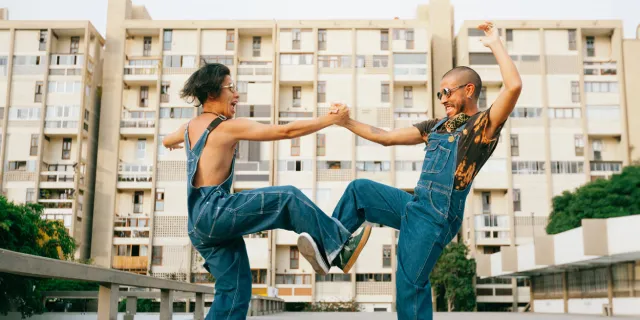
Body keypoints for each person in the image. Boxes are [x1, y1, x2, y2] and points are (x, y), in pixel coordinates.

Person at [299, 22, 522, 319]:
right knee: (359, 191)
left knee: (410, 284)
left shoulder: (483, 126)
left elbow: (514, 86)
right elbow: (386, 137)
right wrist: (346, 122)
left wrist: (495, 43)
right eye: (440, 94)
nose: (442, 100)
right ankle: (333, 248)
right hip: (415, 205)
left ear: (468, 90)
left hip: (438, 215)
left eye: (446, 92)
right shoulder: (435, 127)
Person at [162, 63, 372, 319]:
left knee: (235, 291)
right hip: (215, 209)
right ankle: (337, 248)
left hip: (199, 225)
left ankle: (330, 247)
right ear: (213, 94)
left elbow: (166, 140)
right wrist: (331, 119)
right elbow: (285, 131)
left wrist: (177, 145)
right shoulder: (226, 126)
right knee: (288, 198)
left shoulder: (189, 127)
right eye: (231, 88)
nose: (237, 95)